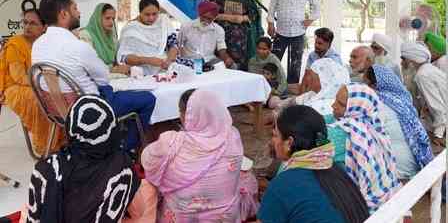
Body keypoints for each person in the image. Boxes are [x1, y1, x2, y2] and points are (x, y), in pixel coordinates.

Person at [32, 0, 155, 150]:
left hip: (56, 111)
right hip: (90, 110)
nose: (79, 12)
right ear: (63, 14)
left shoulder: (37, 45)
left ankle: (112, 141)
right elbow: (104, 77)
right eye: (75, 8)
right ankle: (125, 149)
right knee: (148, 98)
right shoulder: (77, 46)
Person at [23, 95, 157, 223]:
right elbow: (138, 212)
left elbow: (34, 218)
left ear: (70, 127)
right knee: (148, 191)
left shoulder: (46, 168)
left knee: (26, 207)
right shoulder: (122, 168)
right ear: (112, 129)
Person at [142, 89, 258, 222]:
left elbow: (147, 161)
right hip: (226, 217)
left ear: (187, 115)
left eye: (181, 112)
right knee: (246, 176)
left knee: (147, 187)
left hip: (182, 218)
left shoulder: (171, 142)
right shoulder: (232, 135)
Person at [257, 105, 369, 223]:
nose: (272, 141)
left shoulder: (281, 185)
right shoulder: (338, 171)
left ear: (289, 143)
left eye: (275, 135)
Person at [0, 9, 64, 155]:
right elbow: (18, 76)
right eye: (26, 22)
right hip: (16, 87)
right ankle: (44, 145)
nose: (27, 26)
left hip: (39, 83)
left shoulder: (46, 44)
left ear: (44, 27)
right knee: (40, 99)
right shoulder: (15, 44)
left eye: (33, 23)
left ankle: (61, 141)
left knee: (62, 94)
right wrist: (45, 84)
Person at [331, 83, 401, 213]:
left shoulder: (344, 132)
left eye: (340, 104)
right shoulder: (375, 127)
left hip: (361, 206)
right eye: (335, 100)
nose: (333, 105)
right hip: (385, 198)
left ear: (354, 109)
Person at [363, 65, 433, 179]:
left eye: (365, 84)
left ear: (374, 85)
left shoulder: (375, 103)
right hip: (415, 163)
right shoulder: (402, 99)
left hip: (397, 170)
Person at [267, 0, 320, 84]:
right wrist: (270, 24)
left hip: (298, 33)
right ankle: (271, 86)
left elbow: (317, 6)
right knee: (274, 61)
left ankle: (291, 88)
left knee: (295, 65)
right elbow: (271, 7)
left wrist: (310, 19)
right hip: (280, 33)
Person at [118, 0, 192, 76]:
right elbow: (124, 58)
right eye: (147, 14)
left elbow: (173, 44)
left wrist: (169, 60)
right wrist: (148, 60)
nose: (151, 18)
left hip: (166, 64)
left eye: (154, 14)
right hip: (142, 68)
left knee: (191, 69)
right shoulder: (131, 29)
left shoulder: (163, 21)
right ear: (140, 13)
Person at [210, 0, 264, 70]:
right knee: (220, 32)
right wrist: (229, 17)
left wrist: (242, 18)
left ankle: (238, 66)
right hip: (220, 24)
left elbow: (254, 15)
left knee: (239, 34)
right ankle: (221, 63)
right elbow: (210, 13)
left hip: (240, 25)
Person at [401, 42, 448, 145]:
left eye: (403, 58)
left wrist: (438, 134)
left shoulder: (422, 75)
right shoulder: (428, 69)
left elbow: (437, 105)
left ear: (411, 59)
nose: (401, 62)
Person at [285, 58, 350, 123]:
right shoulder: (315, 94)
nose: (308, 79)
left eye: (312, 77)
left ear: (324, 80)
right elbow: (292, 101)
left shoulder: (325, 106)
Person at [178, 0, 234, 67]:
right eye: (204, 17)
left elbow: (221, 48)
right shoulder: (186, 26)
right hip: (189, 62)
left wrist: (226, 58)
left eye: (209, 19)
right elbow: (178, 45)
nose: (206, 21)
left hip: (210, 61)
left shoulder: (219, 30)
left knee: (225, 67)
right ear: (199, 14)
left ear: (214, 18)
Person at [79, 3, 130, 75]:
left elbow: (115, 61)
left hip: (114, 78)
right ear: (98, 18)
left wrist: (121, 67)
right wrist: (112, 69)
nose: (111, 22)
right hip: (95, 79)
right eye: (107, 18)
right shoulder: (85, 35)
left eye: (113, 19)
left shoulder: (111, 37)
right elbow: (88, 64)